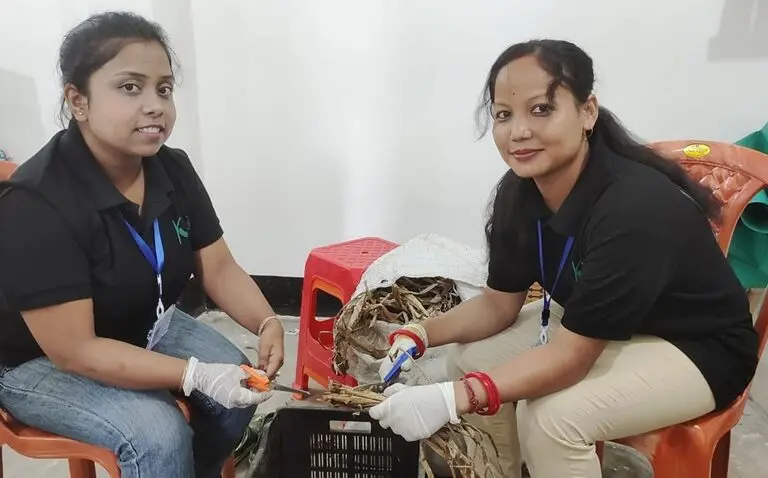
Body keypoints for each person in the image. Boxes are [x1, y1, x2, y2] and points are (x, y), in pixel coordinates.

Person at [369, 39, 759, 478]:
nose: (518, 131)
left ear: (587, 112)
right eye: (503, 115)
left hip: (695, 347)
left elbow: (572, 356)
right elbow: (499, 305)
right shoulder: (519, 193)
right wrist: (419, 333)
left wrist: (453, 398)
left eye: (541, 109)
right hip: (602, 326)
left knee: (551, 419)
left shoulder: (633, 208)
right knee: (468, 360)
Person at [0, 12, 284, 478]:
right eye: (130, 87)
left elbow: (217, 267)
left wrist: (267, 321)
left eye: (164, 89)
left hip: (139, 324)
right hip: (36, 359)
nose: (155, 105)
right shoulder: (37, 202)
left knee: (239, 384)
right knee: (157, 432)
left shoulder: (171, 168)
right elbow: (75, 350)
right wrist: (192, 374)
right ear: (79, 101)